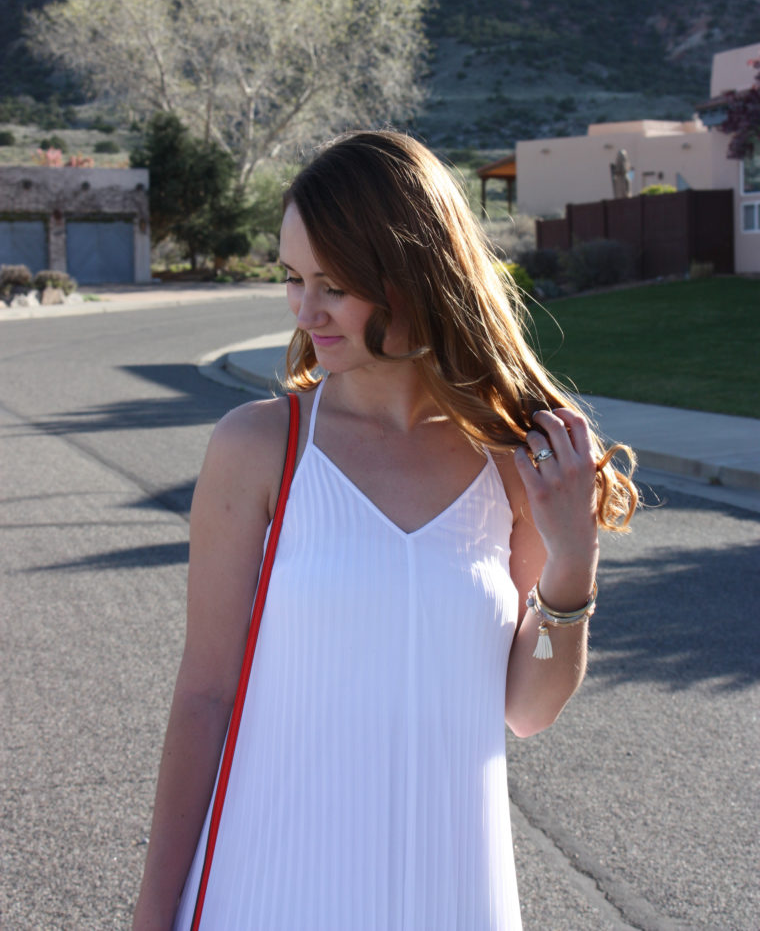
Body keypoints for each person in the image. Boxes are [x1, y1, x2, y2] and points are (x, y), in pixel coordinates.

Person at [132, 129, 637, 931]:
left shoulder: (514, 464)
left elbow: (529, 706)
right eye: (293, 279)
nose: (305, 311)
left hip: (453, 892)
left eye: (333, 284)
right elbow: (204, 696)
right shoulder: (259, 448)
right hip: (271, 886)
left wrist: (572, 563)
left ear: (411, 277)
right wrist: (152, 915)